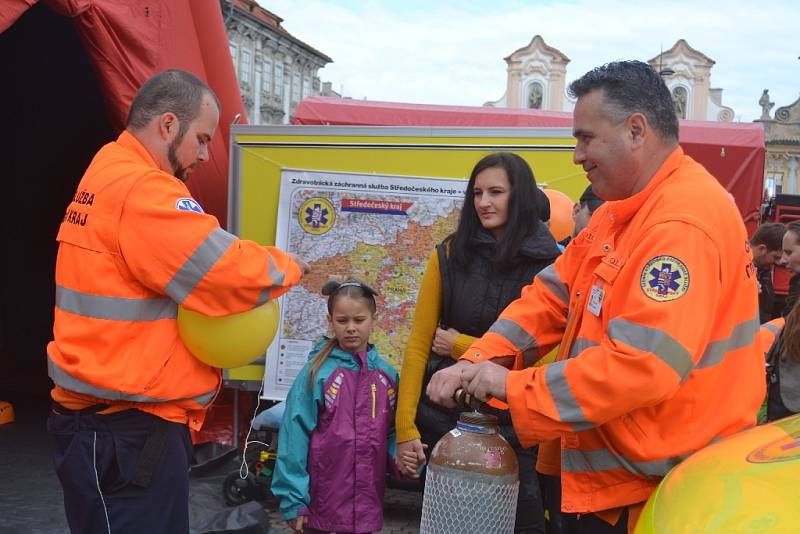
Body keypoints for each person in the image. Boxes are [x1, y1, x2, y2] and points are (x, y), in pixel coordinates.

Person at [426, 60, 764, 533]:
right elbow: (549, 297)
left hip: (656, 489)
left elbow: (641, 367)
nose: (577, 156)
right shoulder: (621, 214)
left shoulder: (680, 224)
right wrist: (479, 359)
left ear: (636, 130)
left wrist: (509, 386)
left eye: (586, 138)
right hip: (612, 479)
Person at [46, 69, 308, 533]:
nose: (206, 155)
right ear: (168, 124)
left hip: (105, 423)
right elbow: (226, 272)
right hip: (126, 430)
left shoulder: (106, 169)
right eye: (202, 139)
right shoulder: (145, 190)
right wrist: (292, 265)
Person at [395, 152, 561, 533]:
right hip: (445, 427)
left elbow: (548, 359)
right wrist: (405, 429)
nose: (484, 202)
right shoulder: (450, 254)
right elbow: (419, 345)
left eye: (496, 192)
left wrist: (460, 348)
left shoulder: (551, 266)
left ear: (519, 196)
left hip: (515, 432)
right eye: (477, 193)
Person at [271, 279, 400, 534]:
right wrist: (294, 500)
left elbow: (393, 433)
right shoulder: (316, 372)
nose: (351, 328)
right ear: (331, 321)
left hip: (366, 507)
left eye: (359, 320)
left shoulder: (387, 376)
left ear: (374, 319)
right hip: (320, 509)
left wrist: (406, 460)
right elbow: (293, 437)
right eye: (342, 321)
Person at [749, 222, 787, 323]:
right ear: (762, 249)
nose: (779, 262)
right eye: (776, 257)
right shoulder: (737, 266)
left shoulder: (762, 266)